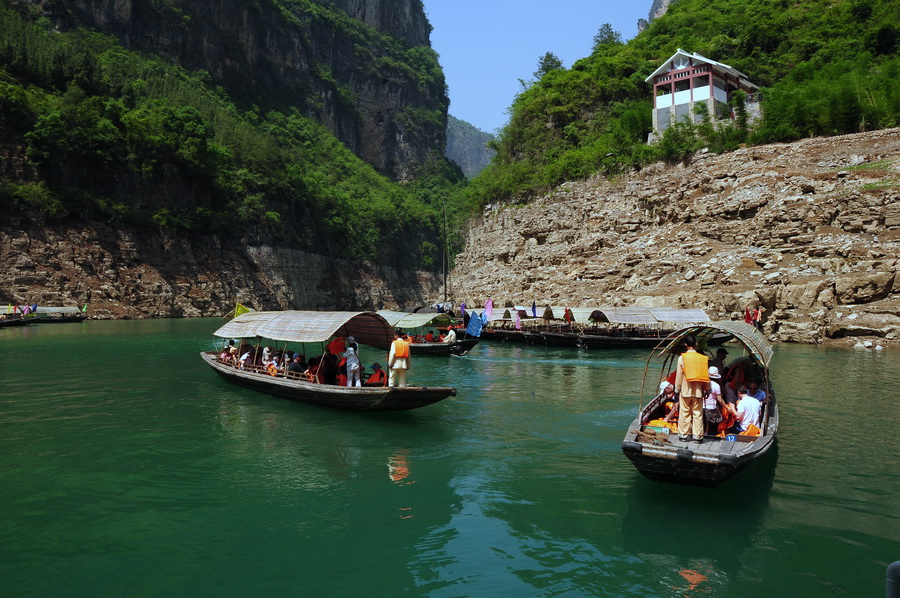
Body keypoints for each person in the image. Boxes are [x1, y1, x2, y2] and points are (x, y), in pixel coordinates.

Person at [674, 334, 710, 443]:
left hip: (685, 390)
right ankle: (697, 437)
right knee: (697, 414)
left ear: (685, 345)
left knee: (684, 413)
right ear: (696, 344)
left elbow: (679, 375)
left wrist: (677, 389)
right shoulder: (702, 358)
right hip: (698, 391)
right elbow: (706, 375)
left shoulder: (682, 358)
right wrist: (707, 389)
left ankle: (684, 435)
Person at [704, 366, 728, 435]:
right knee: (712, 428)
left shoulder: (703, 384)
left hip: (701, 407)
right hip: (711, 409)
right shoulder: (716, 386)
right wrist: (726, 407)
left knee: (702, 425)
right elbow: (719, 399)